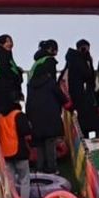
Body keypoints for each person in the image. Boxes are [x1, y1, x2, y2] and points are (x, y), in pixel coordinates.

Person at [26, 44, 70, 174]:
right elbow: (60, 95)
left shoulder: (31, 85)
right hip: (50, 116)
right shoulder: (50, 82)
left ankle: (40, 167)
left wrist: (28, 116)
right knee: (50, 141)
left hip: (36, 117)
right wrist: (69, 106)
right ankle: (51, 168)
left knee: (39, 142)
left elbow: (28, 102)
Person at [0, 96, 33, 198]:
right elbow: (26, 131)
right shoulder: (18, 115)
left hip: (6, 154)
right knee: (24, 180)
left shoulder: (0, 117)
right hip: (20, 151)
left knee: (10, 181)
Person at [63, 39, 97, 137]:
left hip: (83, 96)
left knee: (83, 126)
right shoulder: (77, 59)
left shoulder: (75, 59)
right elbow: (87, 75)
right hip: (79, 96)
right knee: (81, 127)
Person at [0, 35, 23, 114]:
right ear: (1, 44)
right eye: (7, 41)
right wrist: (15, 77)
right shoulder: (1, 53)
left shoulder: (6, 53)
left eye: (11, 41)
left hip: (2, 86)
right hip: (1, 85)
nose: (10, 43)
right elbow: (5, 68)